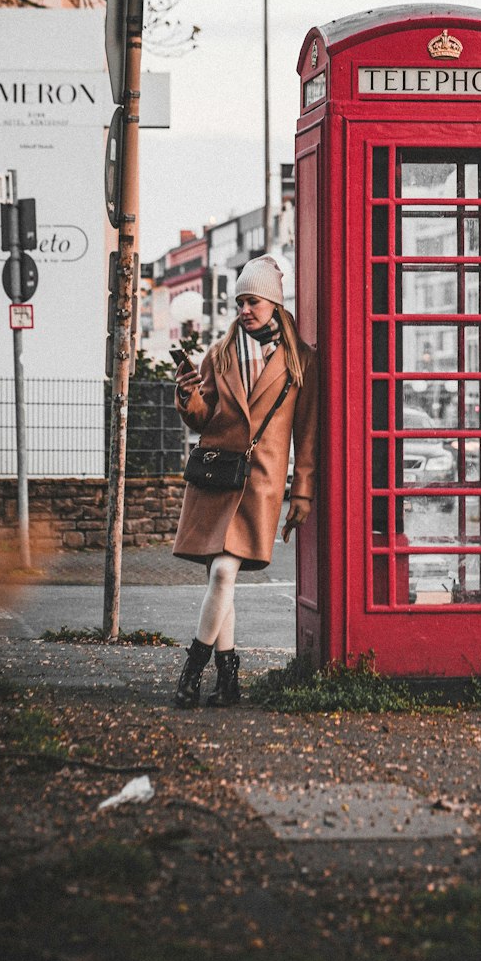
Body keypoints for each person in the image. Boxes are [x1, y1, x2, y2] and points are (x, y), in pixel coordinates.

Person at [170, 254, 317, 707]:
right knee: (221, 576)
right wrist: (187, 392)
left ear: (273, 302)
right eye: (239, 302)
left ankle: (193, 671)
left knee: (224, 572)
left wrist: (303, 491)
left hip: (260, 483)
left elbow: (306, 433)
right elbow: (202, 418)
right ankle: (228, 678)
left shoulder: (300, 360)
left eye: (252, 301)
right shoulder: (222, 351)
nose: (244, 310)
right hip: (218, 477)